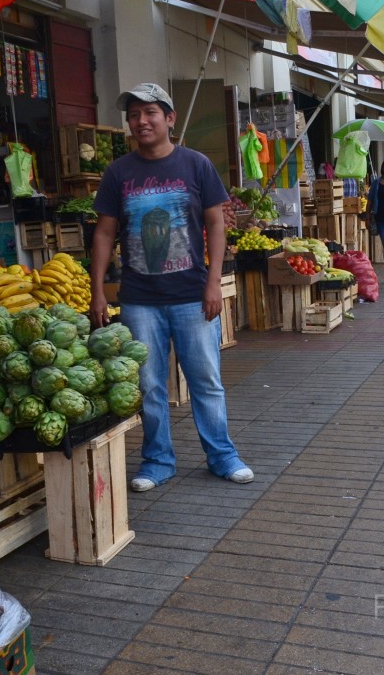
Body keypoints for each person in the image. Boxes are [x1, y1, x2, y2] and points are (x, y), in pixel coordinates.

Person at [89, 82, 253, 493]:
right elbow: (105, 234)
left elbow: (216, 224)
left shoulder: (196, 165)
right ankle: (157, 459)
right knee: (149, 384)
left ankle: (222, 455)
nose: (141, 121)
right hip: (140, 300)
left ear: (169, 118)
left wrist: (214, 282)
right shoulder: (118, 172)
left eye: (150, 112)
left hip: (192, 295)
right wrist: (96, 291)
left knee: (206, 379)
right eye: (133, 115)